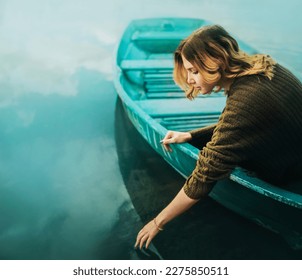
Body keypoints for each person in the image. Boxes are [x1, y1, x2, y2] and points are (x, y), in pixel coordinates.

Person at [134, 24, 302, 249]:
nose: (190, 79)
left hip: (293, 175)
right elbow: (246, 125)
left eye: (194, 70)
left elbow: (205, 175)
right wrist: (191, 136)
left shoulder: (246, 101)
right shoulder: (266, 67)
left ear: (215, 61)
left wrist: (158, 222)